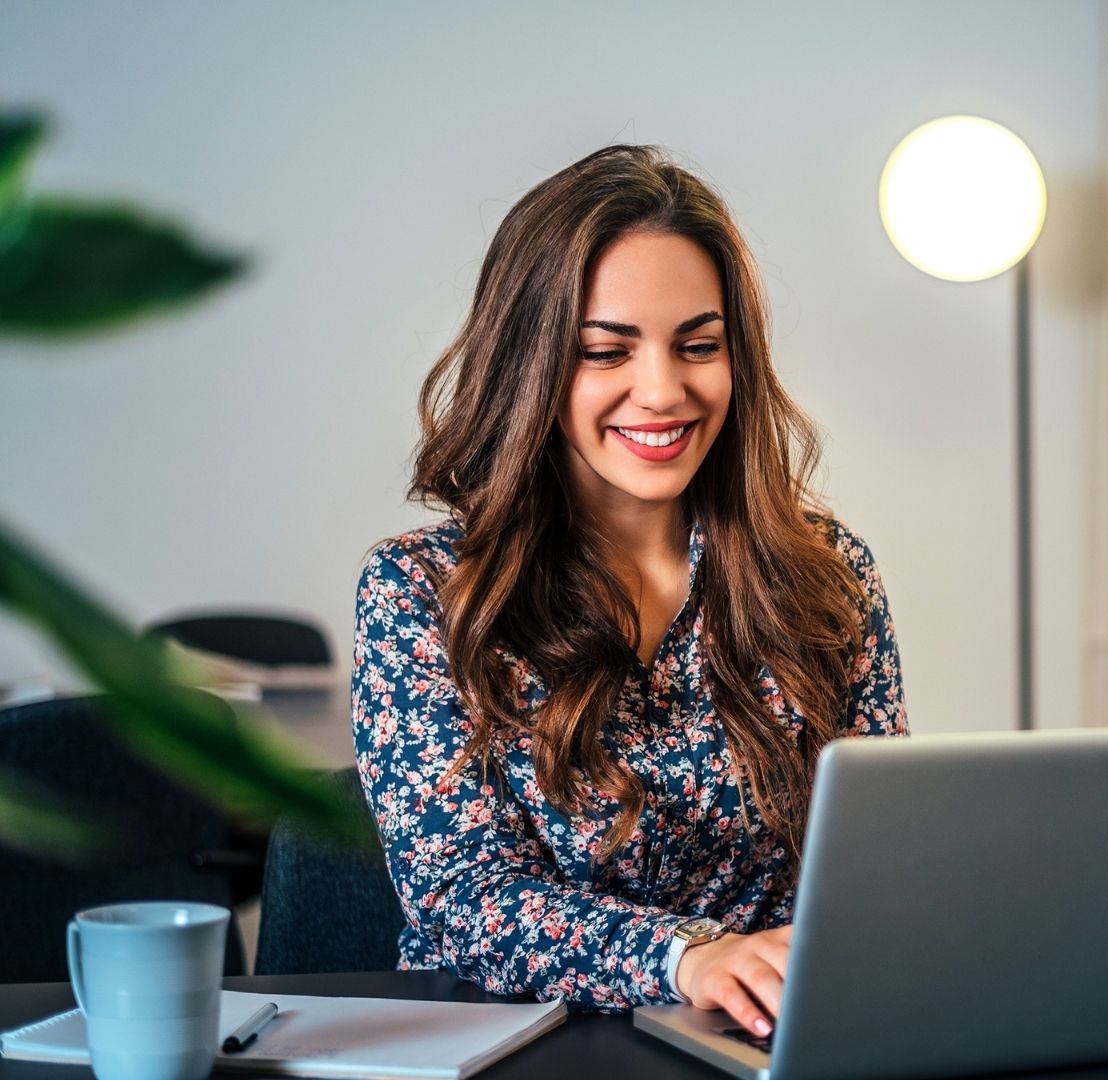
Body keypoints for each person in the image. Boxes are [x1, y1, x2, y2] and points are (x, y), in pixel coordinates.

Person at [349, 145, 907, 1039]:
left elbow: (881, 858)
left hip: (772, 1046)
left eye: (699, 346)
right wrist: (687, 956)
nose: (663, 391)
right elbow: (463, 902)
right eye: (607, 352)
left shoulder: (829, 574)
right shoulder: (425, 590)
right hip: (522, 1049)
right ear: (529, 367)